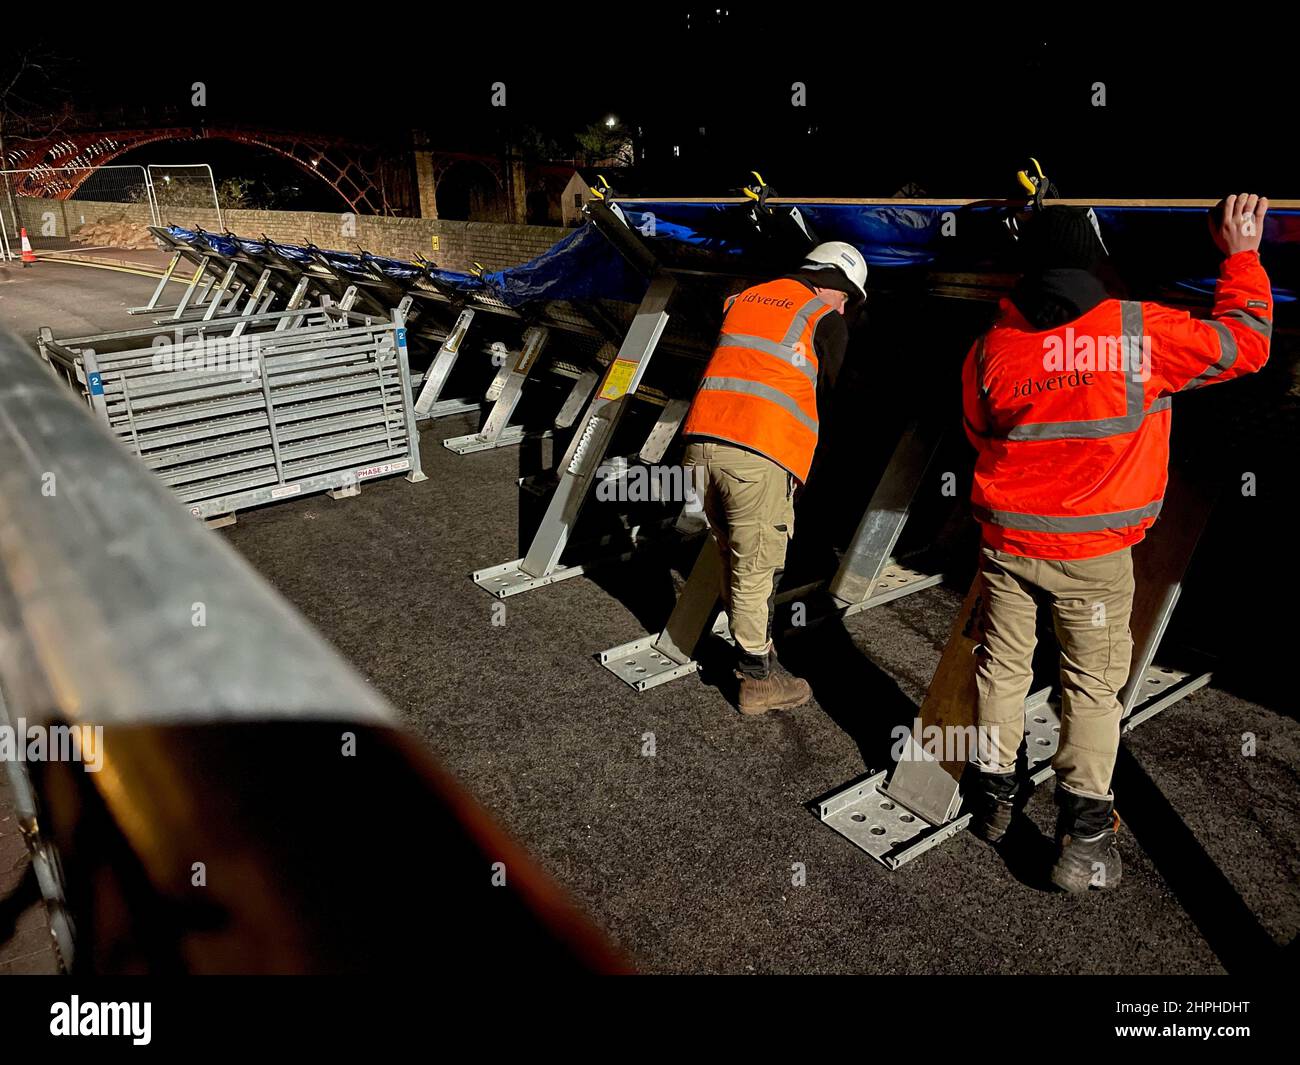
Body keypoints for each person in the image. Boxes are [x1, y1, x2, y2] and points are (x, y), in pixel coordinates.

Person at [962, 194, 1272, 891]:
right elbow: (1248, 341)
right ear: (1097, 263)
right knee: (1091, 689)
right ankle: (1085, 840)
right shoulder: (1140, 333)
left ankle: (992, 802)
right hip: (1094, 559)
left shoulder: (992, 346)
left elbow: (981, 432)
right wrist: (1244, 255)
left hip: (1007, 545)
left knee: (1002, 670)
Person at [682, 242, 866, 714]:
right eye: (848, 299)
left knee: (733, 555)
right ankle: (758, 681)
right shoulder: (822, 318)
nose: (846, 310)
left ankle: (756, 648)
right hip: (756, 454)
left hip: (701, 444)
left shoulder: (745, 298)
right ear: (833, 284)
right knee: (757, 568)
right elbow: (833, 394)